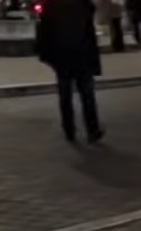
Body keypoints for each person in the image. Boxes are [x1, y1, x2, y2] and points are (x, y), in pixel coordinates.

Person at [34, 0, 104, 144]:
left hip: (62, 56)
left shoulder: (51, 5)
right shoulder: (82, 4)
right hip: (81, 54)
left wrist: (47, 56)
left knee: (66, 95)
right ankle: (92, 129)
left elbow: (44, 31)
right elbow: (89, 30)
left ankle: (69, 129)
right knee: (87, 95)